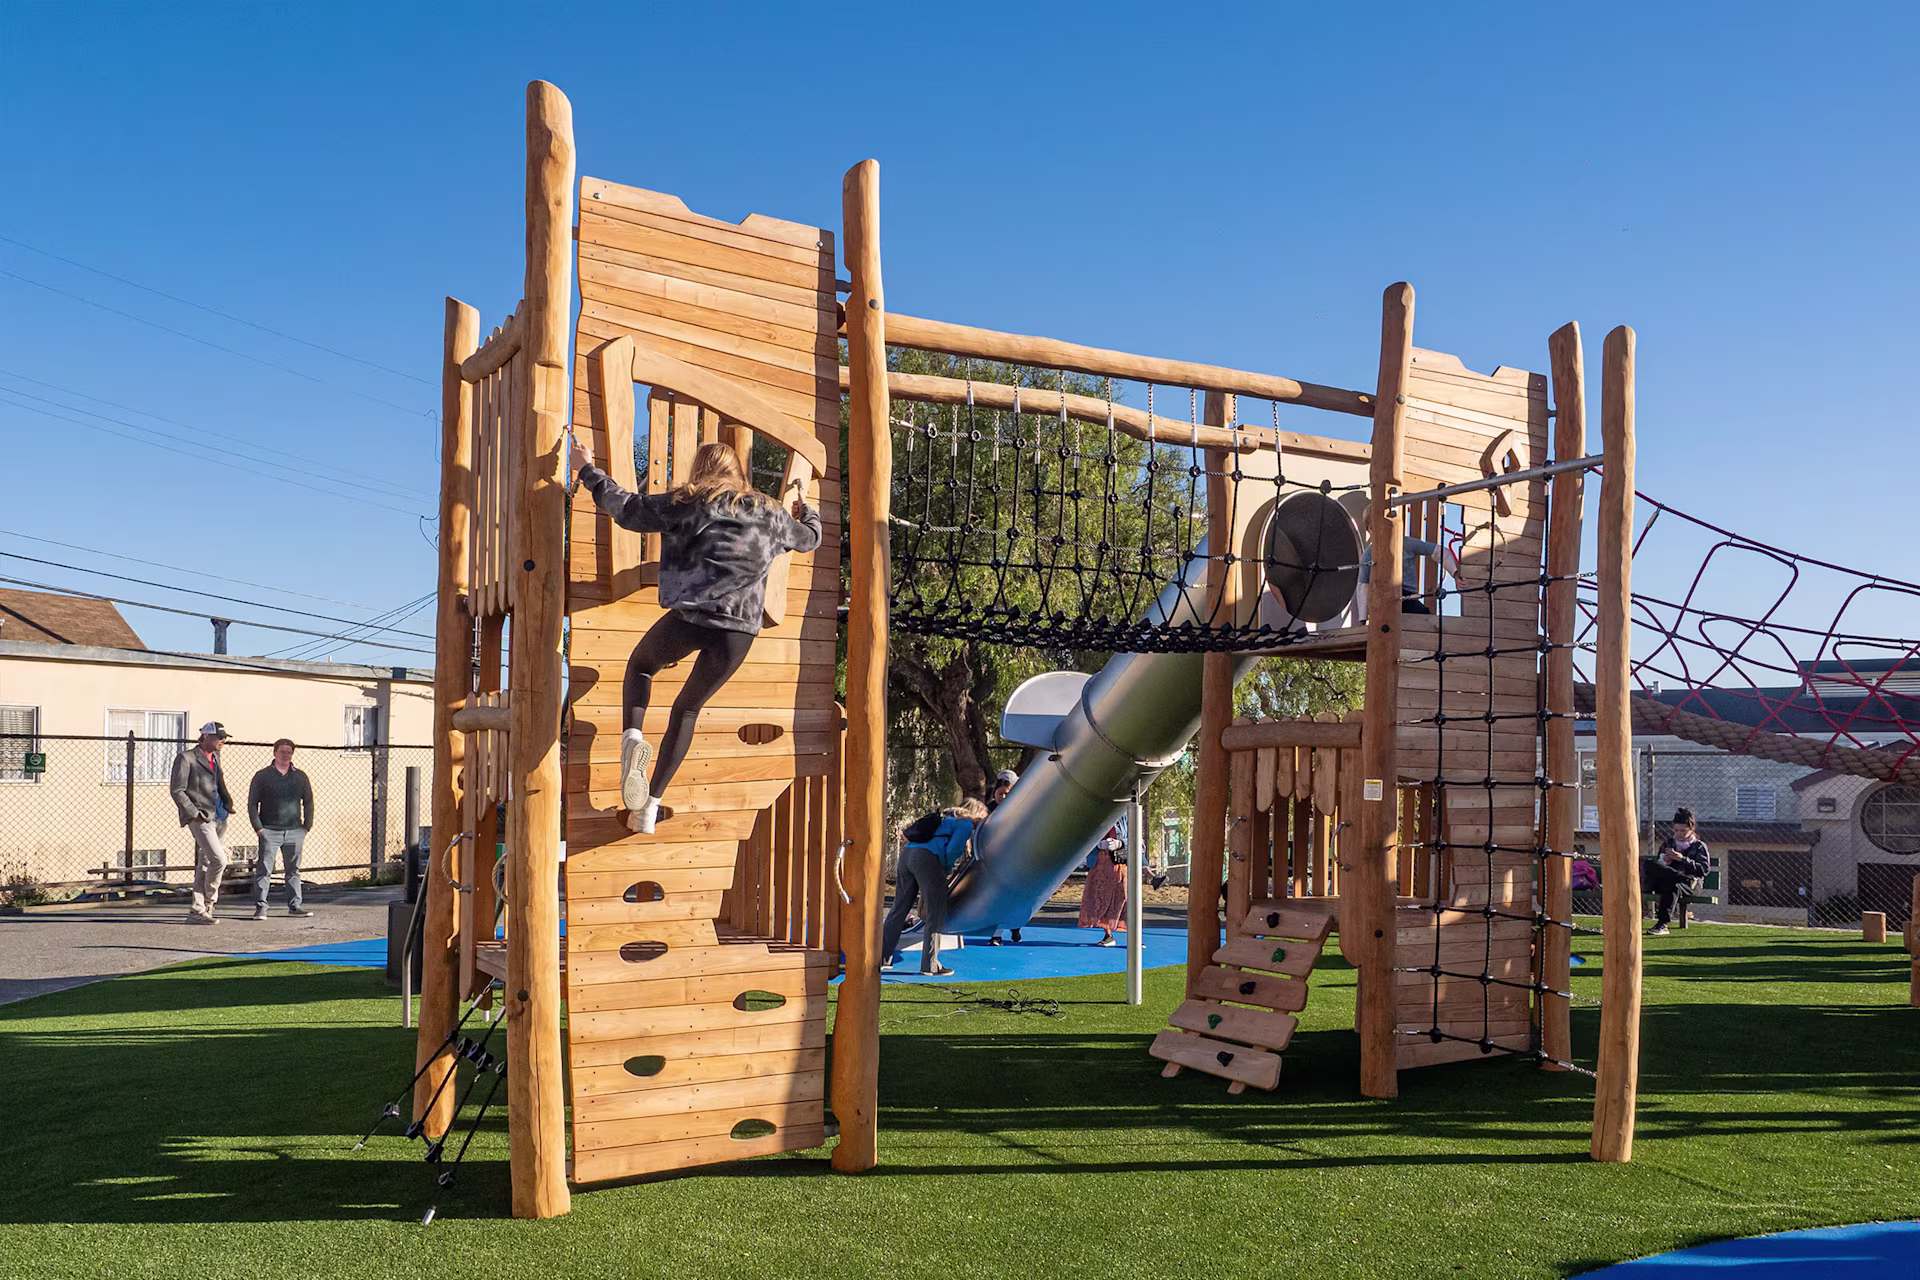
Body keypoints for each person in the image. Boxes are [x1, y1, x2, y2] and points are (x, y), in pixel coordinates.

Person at [571, 436, 821, 834]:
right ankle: (649, 808)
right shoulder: (770, 514)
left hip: (692, 617)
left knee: (641, 665)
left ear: (701, 470)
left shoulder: (685, 502)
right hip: (738, 632)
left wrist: (587, 469)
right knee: (686, 710)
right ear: (739, 474)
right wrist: (807, 511)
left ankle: (632, 738)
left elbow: (627, 509)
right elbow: (809, 539)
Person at [881, 798, 987, 976]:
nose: (982, 824)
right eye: (983, 818)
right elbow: (953, 849)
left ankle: (882, 958)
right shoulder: (965, 824)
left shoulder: (945, 818)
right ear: (976, 813)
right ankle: (930, 965)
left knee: (899, 908)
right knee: (936, 912)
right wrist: (944, 869)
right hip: (928, 859)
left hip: (907, 855)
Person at [169, 722, 235, 925]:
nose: (222, 741)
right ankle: (208, 901)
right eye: (219, 737)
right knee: (219, 860)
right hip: (201, 818)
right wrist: (193, 813)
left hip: (220, 815)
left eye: (224, 738)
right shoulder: (186, 758)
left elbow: (219, 782)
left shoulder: (216, 757)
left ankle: (199, 911)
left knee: (206, 863)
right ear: (206, 736)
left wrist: (228, 803)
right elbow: (177, 790)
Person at [248, 738, 315, 920]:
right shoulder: (262, 776)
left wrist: (306, 826)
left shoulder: (300, 776)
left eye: (289, 752)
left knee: (293, 870)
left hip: (295, 831)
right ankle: (261, 907)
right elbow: (252, 804)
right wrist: (259, 828)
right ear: (274, 752)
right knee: (264, 870)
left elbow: (308, 802)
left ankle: (295, 906)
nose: (285, 755)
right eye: (282, 751)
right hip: (269, 830)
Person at [1640, 807, 1711, 936]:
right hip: (1673, 879)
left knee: (1672, 886)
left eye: (1683, 831)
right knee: (1649, 864)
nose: (1679, 833)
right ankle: (1680, 877)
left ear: (1691, 830)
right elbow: (1659, 867)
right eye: (1676, 830)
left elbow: (1703, 870)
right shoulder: (1669, 843)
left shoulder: (1699, 846)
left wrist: (1682, 859)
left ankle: (1662, 924)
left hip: (1690, 884)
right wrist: (1665, 860)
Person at [985, 769, 1025, 946]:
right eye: (1000, 794)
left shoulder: (1020, 810)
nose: (1003, 797)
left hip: (1015, 859)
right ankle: (996, 933)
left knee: (1014, 895)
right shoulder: (990, 810)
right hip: (995, 860)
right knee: (996, 896)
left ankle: (1014, 927)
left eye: (1007, 794)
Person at [1079, 823, 1127, 946]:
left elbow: (1136, 838)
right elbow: (1084, 838)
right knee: (1100, 898)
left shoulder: (1126, 815)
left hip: (1120, 863)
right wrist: (1097, 844)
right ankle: (1108, 935)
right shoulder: (1095, 816)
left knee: (1125, 898)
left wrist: (1120, 843)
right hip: (1099, 865)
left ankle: (1135, 937)